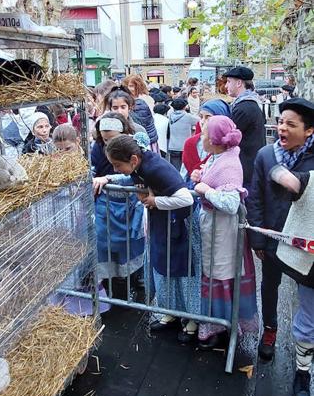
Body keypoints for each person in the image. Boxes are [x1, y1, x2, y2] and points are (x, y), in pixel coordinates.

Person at [94, 133, 197, 342]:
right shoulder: (140, 163)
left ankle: (192, 319)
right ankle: (171, 312)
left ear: (133, 159)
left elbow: (186, 198)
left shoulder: (155, 168)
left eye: (116, 164)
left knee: (184, 274)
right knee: (163, 269)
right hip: (162, 225)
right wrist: (107, 178)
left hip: (179, 227)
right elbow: (127, 176)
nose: (114, 169)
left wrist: (155, 201)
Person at [247, 98, 314, 369]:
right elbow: (255, 198)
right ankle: (270, 329)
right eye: (280, 121)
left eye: (290, 124)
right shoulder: (266, 155)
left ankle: (303, 349)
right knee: (269, 286)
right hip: (272, 237)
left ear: (309, 131)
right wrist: (258, 239)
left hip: (304, 242)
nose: (281, 128)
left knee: (306, 292)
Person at [191, 116, 258, 349]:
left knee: (221, 276)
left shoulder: (229, 164)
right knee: (216, 274)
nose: (201, 137)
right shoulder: (220, 156)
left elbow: (231, 203)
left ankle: (222, 327)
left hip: (223, 232)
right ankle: (218, 325)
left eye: (205, 134)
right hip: (216, 228)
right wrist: (201, 175)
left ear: (216, 140)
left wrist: (205, 189)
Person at [90, 114, 146, 296]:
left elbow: (135, 174)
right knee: (107, 244)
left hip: (129, 202)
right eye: (105, 140)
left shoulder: (134, 148)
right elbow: (93, 169)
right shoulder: (97, 149)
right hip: (105, 203)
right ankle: (111, 286)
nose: (108, 144)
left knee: (131, 244)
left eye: (112, 139)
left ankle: (136, 280)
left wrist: (109, 178)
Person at [223, 66, 265, 188]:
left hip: (245, 168)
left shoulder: (244, 107)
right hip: (250, 166)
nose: (226, 86)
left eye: (229, 81)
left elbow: (228, 137)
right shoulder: (251, 103)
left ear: (239, 83)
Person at [181, 99, 231, 180]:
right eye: (201, 117)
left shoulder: (228, 146)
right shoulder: (190, 143)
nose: (203, 122)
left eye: (208, 117)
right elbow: (183, 174)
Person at [168, 98, 199, 171]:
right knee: (184, 168)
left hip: (172, 146)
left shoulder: (169, 116)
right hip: (184, 146)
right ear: (185, 107)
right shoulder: (188, 117)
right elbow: (199, 120)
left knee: (175, 169)